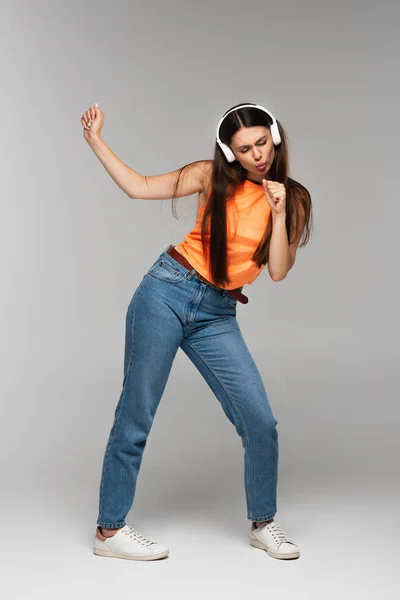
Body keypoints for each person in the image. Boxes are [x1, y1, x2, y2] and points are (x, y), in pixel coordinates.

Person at [80, 101, 313, 562]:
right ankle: (109, 531)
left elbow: (279, 272)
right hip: (166, 290)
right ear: (231, 152)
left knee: (260, 421)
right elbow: (139, 187)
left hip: (216, 314)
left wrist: (280, 212)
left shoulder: (293, 197)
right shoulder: (210, 175)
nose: (256, 155)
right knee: (137, 410)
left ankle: (263, 522)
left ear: (275, 138)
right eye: (244, 149)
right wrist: (95, 141)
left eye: (262, 143)